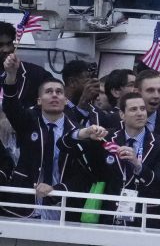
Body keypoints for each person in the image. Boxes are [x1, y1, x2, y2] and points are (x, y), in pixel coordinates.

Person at [2, 53, 98, 219]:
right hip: (25, 205)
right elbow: (11, 107)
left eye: (59, 92)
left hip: (63, 207)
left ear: (65, 99)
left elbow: (84, 174)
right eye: (49, 91)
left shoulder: (78, 129)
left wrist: (57, 190)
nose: (54, 95)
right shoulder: (28, 121)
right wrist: (11, 75)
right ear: (39, 100)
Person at [86, 92, 160, 226]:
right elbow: (93, 170)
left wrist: (138, 165)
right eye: (133, 109)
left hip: (143, 219)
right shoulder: (106, 138)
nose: (140, 113)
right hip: (109, 217)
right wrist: (85, 134)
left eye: (142, 109)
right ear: (122, 115)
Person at [0, 22, 54, 107]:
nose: (6, 49)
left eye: (9, 43)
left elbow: (56, 105)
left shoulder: (37, 74)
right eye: (0, 45)